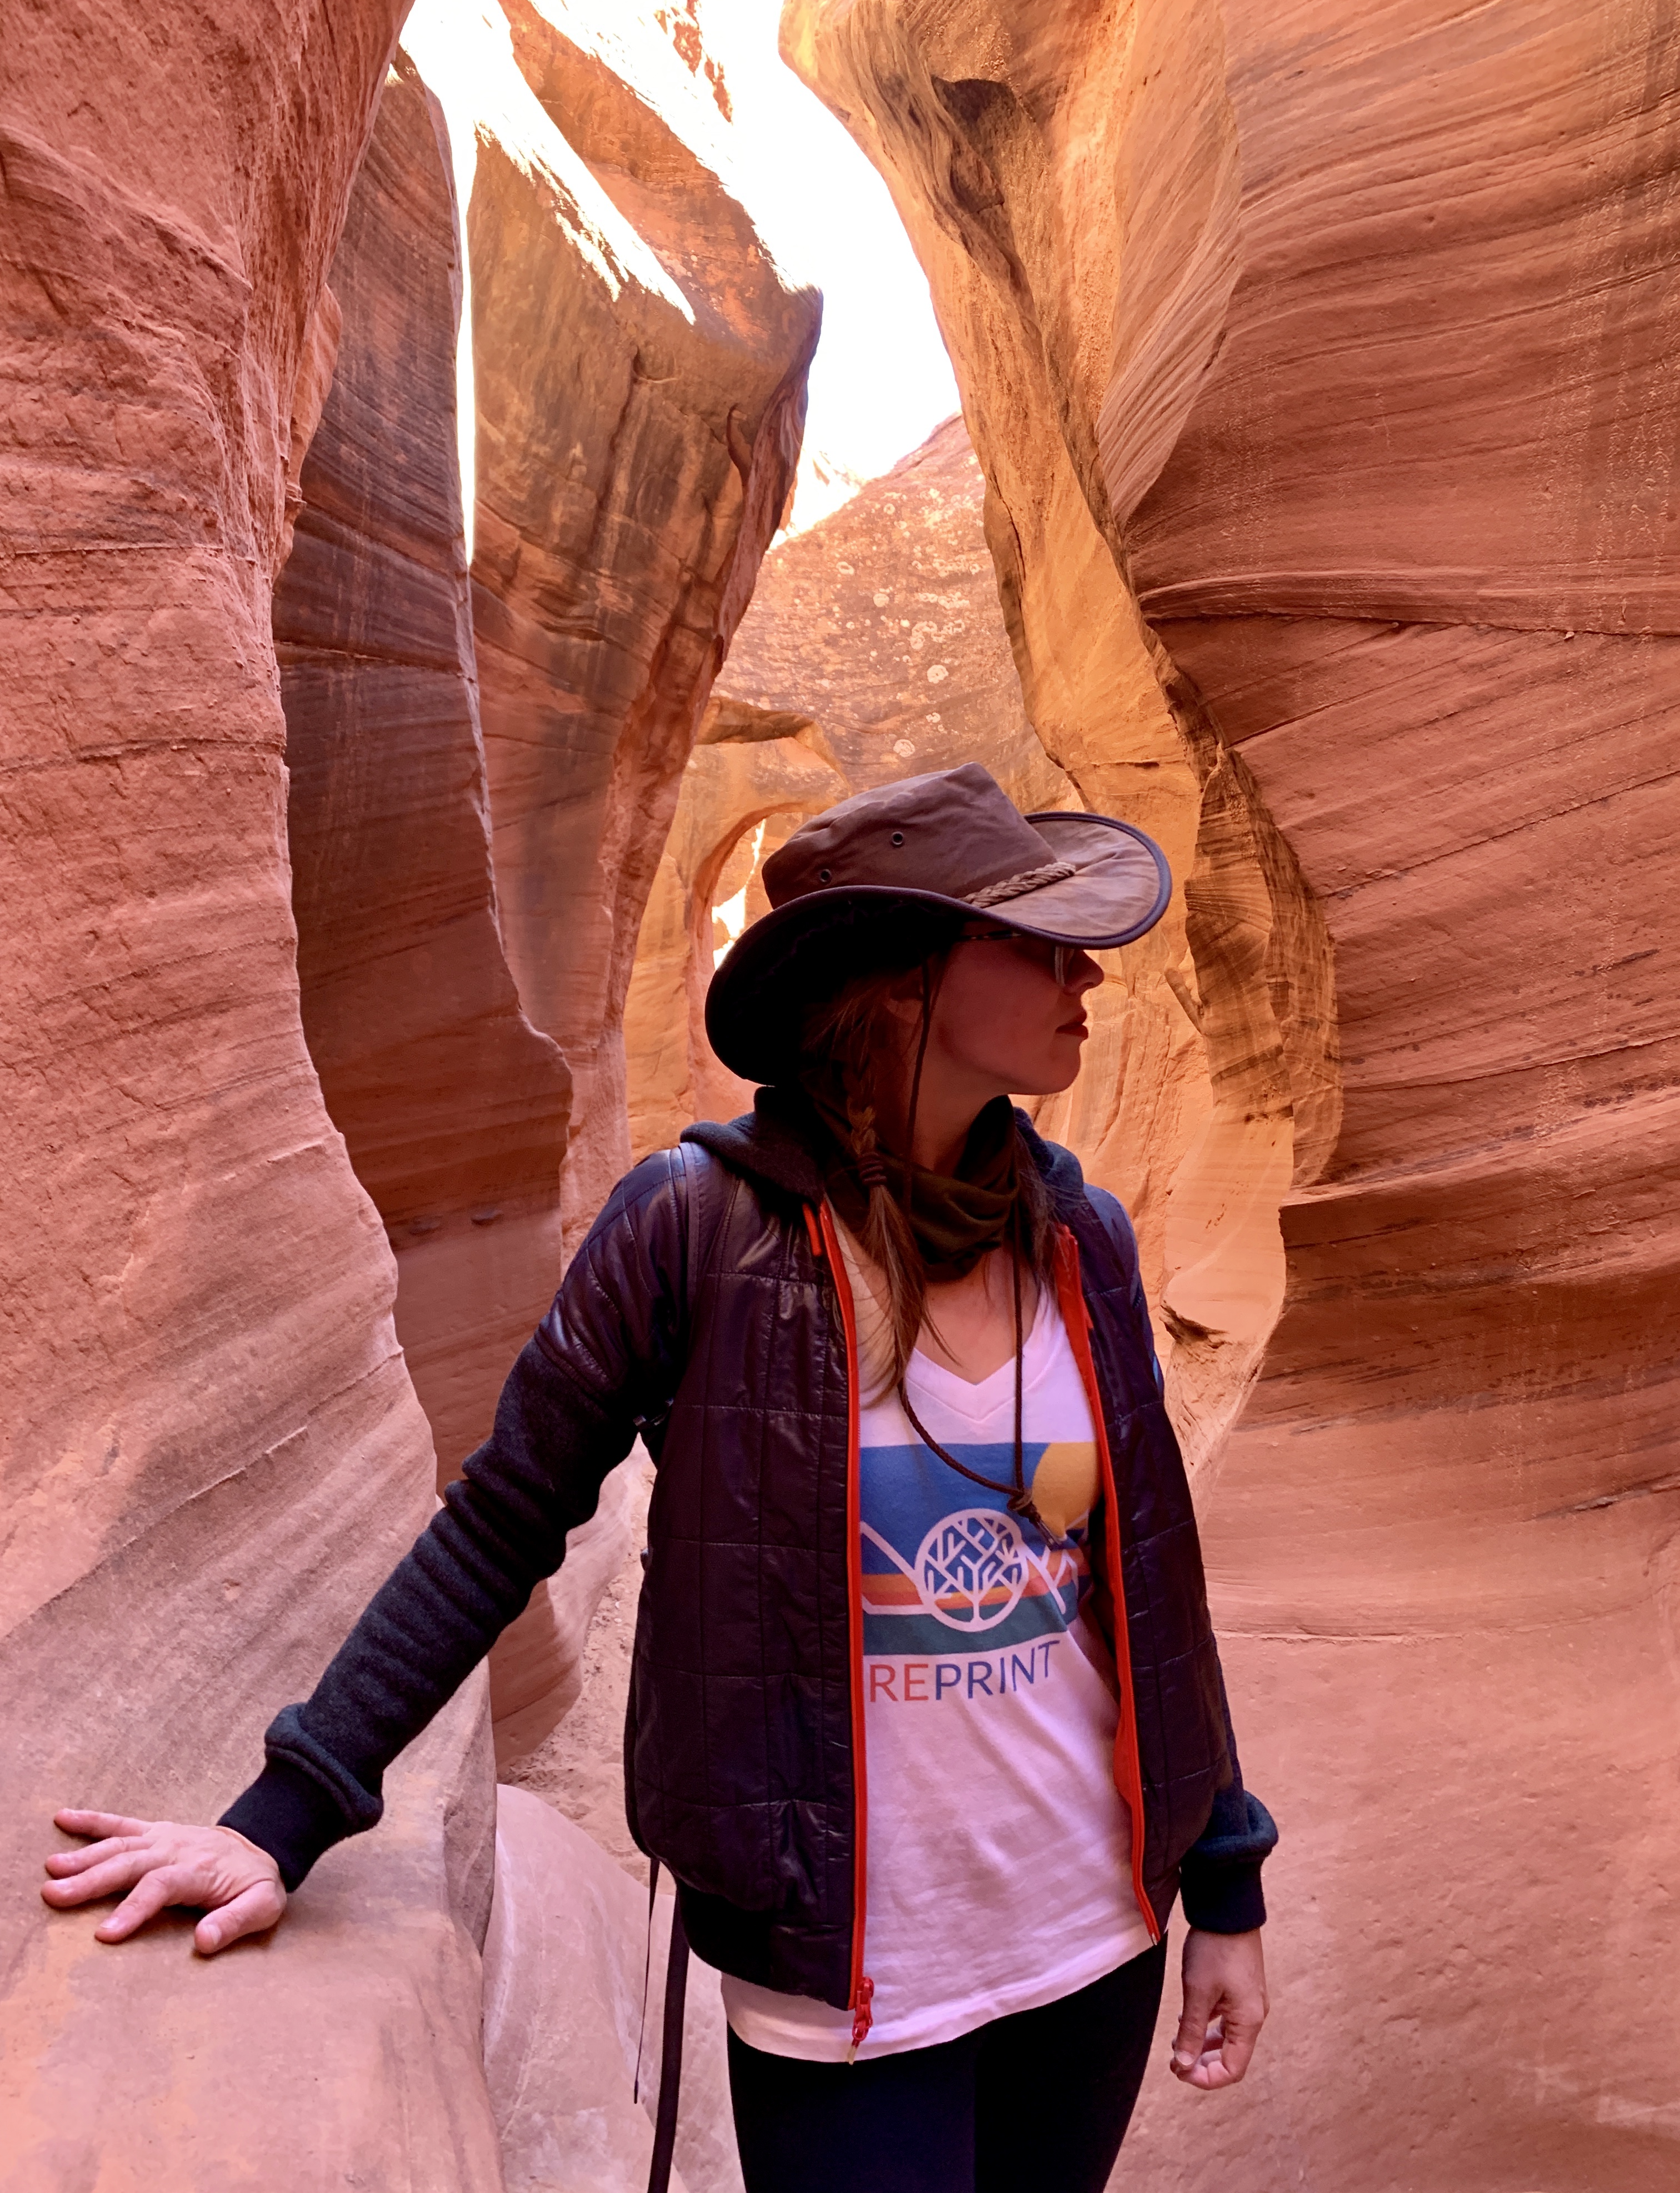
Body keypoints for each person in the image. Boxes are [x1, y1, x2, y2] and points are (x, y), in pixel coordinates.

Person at [43, 764, 1276, 2193]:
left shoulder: (1080, 1241)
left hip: (1093, 1938)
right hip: (847, 1988)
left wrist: (1225, 1878)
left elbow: (1149, 1584)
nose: (1087, 979)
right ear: (898, 984)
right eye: (1036, 943)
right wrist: (286, 1815)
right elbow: (503, 1523)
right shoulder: (696, 1231)